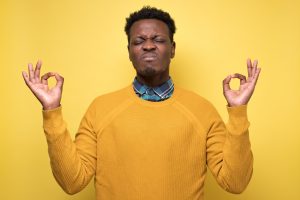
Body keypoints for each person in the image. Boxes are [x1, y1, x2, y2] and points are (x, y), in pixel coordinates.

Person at [22, 6, 261, 200]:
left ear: (173, 49)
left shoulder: (202, 110)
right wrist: (51, 111)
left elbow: (235, 182)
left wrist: (238, 112)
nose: (148, 45)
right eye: (139, 41)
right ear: (129, 51)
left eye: (158, 39)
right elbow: (73, 182)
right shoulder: (100, 109)